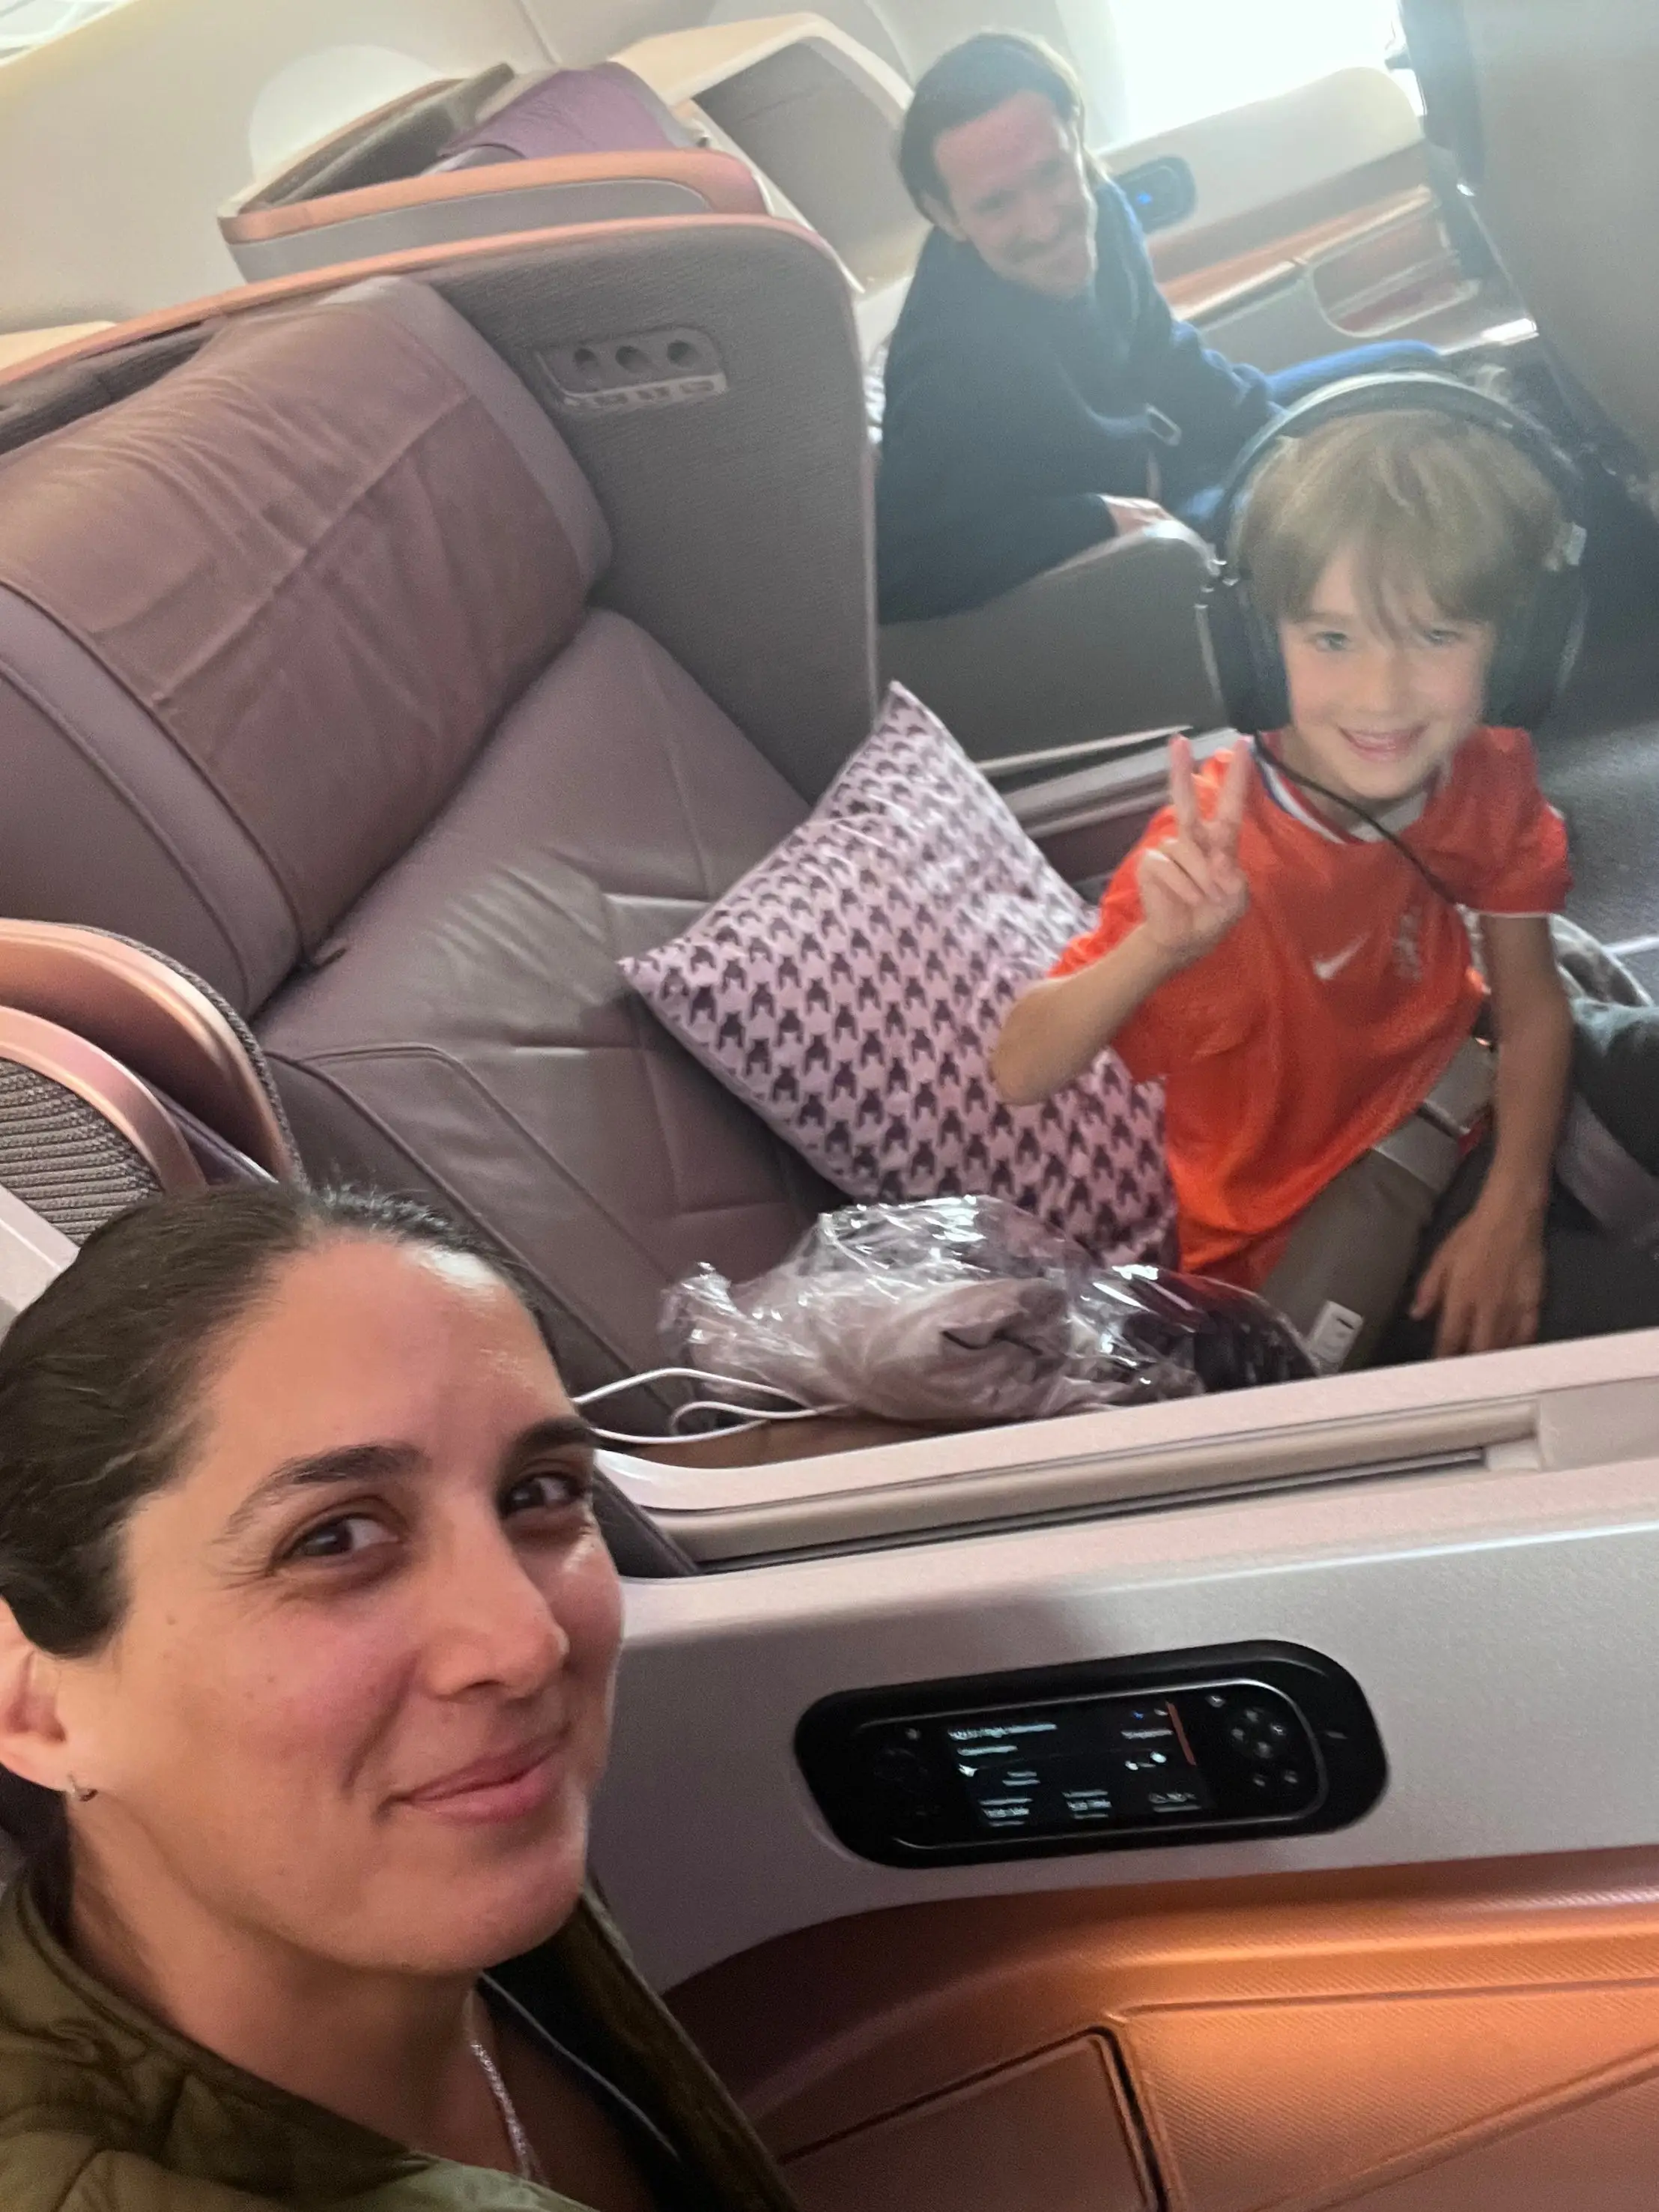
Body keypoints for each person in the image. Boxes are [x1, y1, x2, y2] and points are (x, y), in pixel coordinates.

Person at [0, 1184, 796, 2212]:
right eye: (334, 1538)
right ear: (38, 1704)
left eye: (538, 1493)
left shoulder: (418, 1861)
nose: (524, 1641)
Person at [992, 404, 1659, 1361]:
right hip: (1332, 1232)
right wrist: (1159, 947)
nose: (1382, 695)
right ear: (1260, 646)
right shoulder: (1222, 862)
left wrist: (1513, 1205)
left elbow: (1531, 1003)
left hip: (1470, 1090)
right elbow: (1023, 1065)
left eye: (1435, 635)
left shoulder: (1482, 763)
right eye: (1332, 640)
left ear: (1517, 648)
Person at [876, 32, 1438, 623]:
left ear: (1075, 136)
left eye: (1051, 173)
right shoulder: (945, 360)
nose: (1042, 224)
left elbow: (1161, 353)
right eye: (996, 205)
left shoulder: (1107, 210)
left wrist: (1280, 432)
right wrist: (1093, 516)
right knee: (1315, 525)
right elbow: (903, 570)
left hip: (1164, 448)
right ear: (945, 218)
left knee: (1413, 375)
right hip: (1138, 530)